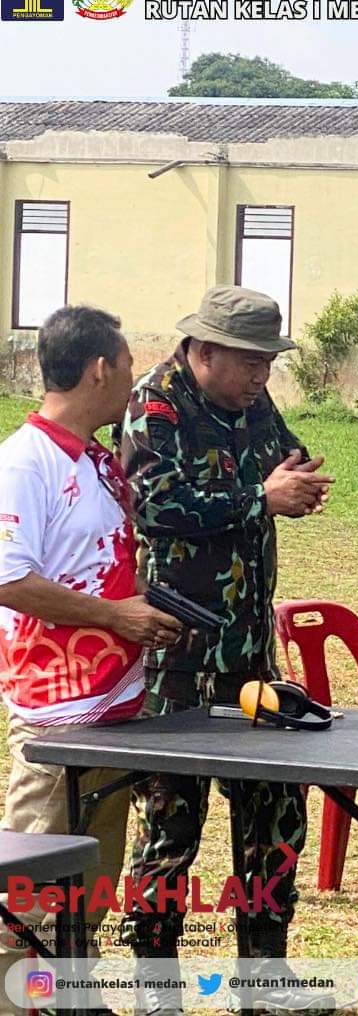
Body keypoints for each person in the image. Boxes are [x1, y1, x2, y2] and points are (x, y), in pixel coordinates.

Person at [119, 286, 335, 1013]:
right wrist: (260, 499)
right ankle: (156, 986)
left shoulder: (251, 401)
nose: (261, 376)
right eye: (250, 362)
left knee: (275, 811)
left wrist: (298, 482)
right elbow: (154, 505)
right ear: (204, 351)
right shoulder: (156, 406)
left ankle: (264, 975)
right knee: (169, 824)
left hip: (248, 650)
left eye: (269, 363)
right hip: (175, 655)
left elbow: (282, 458)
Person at [0, 307, 182, 1009]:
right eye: (130, 367)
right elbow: (9, 579)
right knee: (27, 898)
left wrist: (145, 613)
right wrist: (115, 616)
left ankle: (71, 996)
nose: (135, 382)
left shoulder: (96, 461)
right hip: (56, 714)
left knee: (89, 883)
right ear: (100, 369)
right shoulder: (25, 461)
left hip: (114, 703)